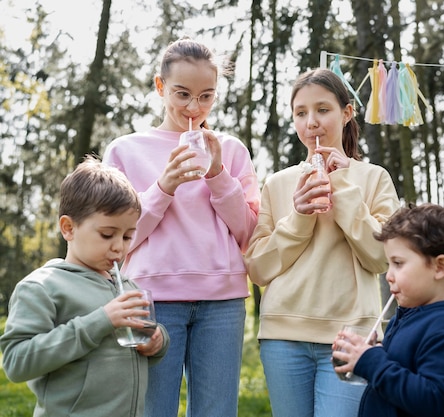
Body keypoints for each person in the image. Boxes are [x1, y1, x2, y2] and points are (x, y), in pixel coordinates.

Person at [102, 37, 260, 417]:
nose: (194, 107)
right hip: (152, 298)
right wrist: (163, 187)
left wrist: (219, 174)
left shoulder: (232, 150)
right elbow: (118, 240)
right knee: (153, 409)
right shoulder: (125, 150)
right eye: (182, 94)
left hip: (221, 303)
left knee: (217, 411)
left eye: (206, 96)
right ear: (160, 87)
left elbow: (248, 233)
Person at [244, 68, 401, 417]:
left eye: (323, 109)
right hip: (282, 337)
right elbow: (257, 268)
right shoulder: (278, 183)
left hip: (352, 338)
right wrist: (298, 216)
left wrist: (344, 187)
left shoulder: (374, 178)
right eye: (301, 113)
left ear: (347, 113)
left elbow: (381, 257)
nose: (311, 122)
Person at [0, 156, 170, 417]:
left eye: (127, 236)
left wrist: (156, 341)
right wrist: (101, 321)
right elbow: (16, 362)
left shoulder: (126, 285)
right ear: (68, 228)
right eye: (106, 234)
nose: (118, 246)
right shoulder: (42, 287)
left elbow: (137, 348)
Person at [332, 203, 444, 417]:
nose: (388, 275)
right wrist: (373, 352)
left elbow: (438, 403)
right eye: (389, 264)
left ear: (440, 267)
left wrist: (373, 361)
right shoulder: (413, 316)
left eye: (398, 263)